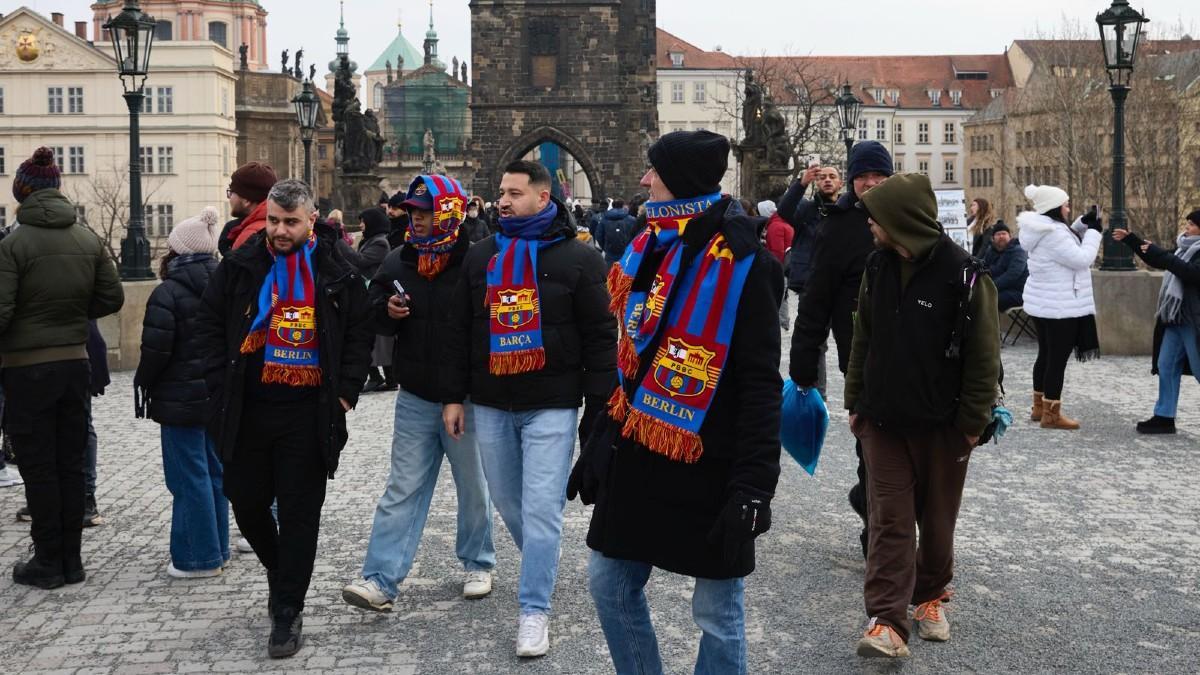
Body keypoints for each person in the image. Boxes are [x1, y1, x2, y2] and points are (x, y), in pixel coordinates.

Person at [569, 130, 783, 675]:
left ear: (681, 181)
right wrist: (601, 437)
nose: (644, 181)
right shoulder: (649, 245)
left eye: (654, 172)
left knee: (718, 611)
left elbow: (761, 384)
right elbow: (634, 358)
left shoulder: (747, 264)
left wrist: (755, 484)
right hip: (641, 448)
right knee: (608, 584)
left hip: (711, 460)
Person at [443, 160, 616, 658]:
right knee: (509, 503)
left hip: (552, 404)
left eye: (514, 192)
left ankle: (533, 610)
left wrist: (599, 406)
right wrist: (454, 396)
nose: (503, 200)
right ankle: (544, 556)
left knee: (541, 510)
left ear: (544, 198)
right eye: (501, 191)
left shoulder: (580, 259)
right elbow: (459, 332)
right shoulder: (480, 256)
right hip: (492, 401)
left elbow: (602, 339)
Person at [196, 179, 373, 658]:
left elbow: (359, 334)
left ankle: (287, 610)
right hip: (247, 409)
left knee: (298, 515)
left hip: (308, 413)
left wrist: (345, 396)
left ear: (311, 221)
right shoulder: (241, 263)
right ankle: (280, 570)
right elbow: (209, 324)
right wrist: (217, 388)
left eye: (290, 222)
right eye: (273, 220)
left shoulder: (337, 269)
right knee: (246, 502)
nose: (278, 230)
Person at [846, 173, 1000, 659]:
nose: (870, 226)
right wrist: (856, 402)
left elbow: (984, 357)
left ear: (901, 221)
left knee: (936, 523)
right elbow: (862, 339)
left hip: (944, 426)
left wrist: (973, 422)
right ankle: (887, 622)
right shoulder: (877, 265)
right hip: (883, 421)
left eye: (877, 218)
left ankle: (930, 596)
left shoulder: (967, 275)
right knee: (888, 520)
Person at [342, 174, 496, 611]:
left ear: (448, 211)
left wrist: (459, 394)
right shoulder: (398, 259)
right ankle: (380, 580)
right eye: (413, 212)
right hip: (415, 395)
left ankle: (478, 562)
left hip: (463, 397)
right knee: (402, 487)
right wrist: (387, 312)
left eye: (426, 212)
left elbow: (478, 334)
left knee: (473, 486)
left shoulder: (477, 261)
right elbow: (374, 311)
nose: (418, 220)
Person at [0, 147, 124, 588]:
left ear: (23, 193)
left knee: (39, 466)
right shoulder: (87, 239)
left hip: (26, 369)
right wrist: (72, 316)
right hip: (75, 363)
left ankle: (48, 561)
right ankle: (72, 560)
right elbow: (112, 299)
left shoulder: (13, 244)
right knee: (71, 462)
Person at [789, 141, 892, 556]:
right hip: (859, 352)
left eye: (879, 177)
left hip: (908, 350)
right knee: (870, 439)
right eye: (864, 176)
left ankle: (879, 510)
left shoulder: (905, 215)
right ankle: (876, 528)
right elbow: (816, 298)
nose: (871, 183)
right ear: (852, 180)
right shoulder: (839, 224)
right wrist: (803, 365)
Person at [134, 206, 227, 578]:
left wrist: (144, 382)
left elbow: (155, 352)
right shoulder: (225, 286)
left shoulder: (168, 293)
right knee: (214, 473)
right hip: (216, 395)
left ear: (177, 252)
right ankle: (217, 548)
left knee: (187, 476)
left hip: (180, 399)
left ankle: (196, 557)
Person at [1017, 184, 1102, 430]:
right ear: (1055, 208)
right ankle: (1051, 415)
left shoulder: (1041, 229)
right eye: (1065, 204)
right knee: (1056, 360)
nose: (1068, 207)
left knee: (1045, 355)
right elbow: (1081, 258)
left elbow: (1066, 239)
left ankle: (1039, 407)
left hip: (1043, 303)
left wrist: (1081, 223)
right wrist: (1094, 232)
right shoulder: (1054, 234)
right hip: (1060, 307)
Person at [1113, 209, 1200, 435]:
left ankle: (1164, 415)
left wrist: (1162, 254)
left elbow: (1191, 273)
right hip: (1175, 317)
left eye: (1192, 224)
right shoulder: (1184, 250)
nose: (1187, 228)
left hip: (1194, 320)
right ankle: (1164, 416)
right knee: (1166, 365)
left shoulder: (1190, 254)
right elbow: (1159, 259)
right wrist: (1133, 241)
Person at [341, 208, 394, 393]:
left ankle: (379, 376)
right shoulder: (371, 240)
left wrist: (340, 243)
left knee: (374, 339)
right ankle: (383, 377)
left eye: (363, 221)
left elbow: (360, 261)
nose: (361, 225)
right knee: (377, 339)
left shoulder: (380, 243)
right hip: (368, 292)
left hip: (373, 294)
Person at [779, 164, 843, 298]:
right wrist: (802, 183)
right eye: (822, 177)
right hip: (809, 283)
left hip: (840, 282)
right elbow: (784, 210)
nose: (827, 180)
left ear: (840, 183)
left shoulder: (845, 210)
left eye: (832, 177)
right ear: (817, 183)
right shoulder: (807, 209)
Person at [223, 162, 279, 251]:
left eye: (232, 192)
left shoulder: (249, 235)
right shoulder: (275, 225)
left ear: (247, 201)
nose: (229, 197)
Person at [760, 199, 794, 329]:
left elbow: (777, 251)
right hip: (786, 266)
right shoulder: (781, 222)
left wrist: (773, 270)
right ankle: (784, 321)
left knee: (779, 295)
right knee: (783, 295)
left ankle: (780, 322)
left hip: (780, 268)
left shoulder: (775, 226)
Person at [981, 223, 1028, 311]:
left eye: (1004, 233)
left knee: (987, 299)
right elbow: (983, 268)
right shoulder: (991, 251)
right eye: (998, 234)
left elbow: (1012, 275)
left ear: (1010, 236)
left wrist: (991, 287)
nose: (1001, 236)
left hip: (1020, 291)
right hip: (1003, 289)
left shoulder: (1018, 251)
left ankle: (990, 324)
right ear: (993, 238)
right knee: (977, 295)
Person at [596, 198, 637, 266]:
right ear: (623, 205)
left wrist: (605, 247)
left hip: (610, 254)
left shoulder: (604, 219)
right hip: (626, 254)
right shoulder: (631, 220)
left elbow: (599, 236)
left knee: (610, 274)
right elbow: (636, 235)